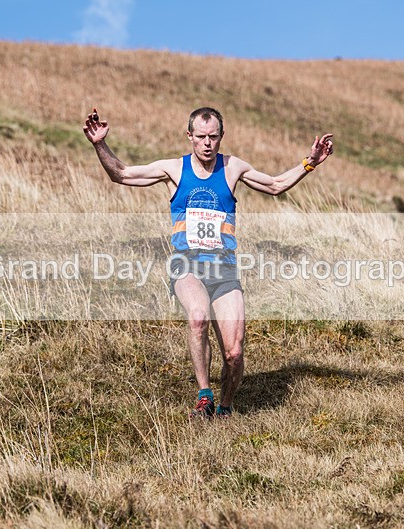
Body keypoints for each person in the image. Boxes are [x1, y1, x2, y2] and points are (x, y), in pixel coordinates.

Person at [83, 107, 334, 419]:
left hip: (224, 270)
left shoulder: (233, 167)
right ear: (189, 137)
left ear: (221, 137)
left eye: (213, 136)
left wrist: (310, 162)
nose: (207, 143)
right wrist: (99, 144)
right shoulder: (174, 169)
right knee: (199, 317)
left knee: (235, 352)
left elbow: (274, 185)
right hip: (186, 267)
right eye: (200, 137)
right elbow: (121, 174)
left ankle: (226, 406)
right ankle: (205, 396)